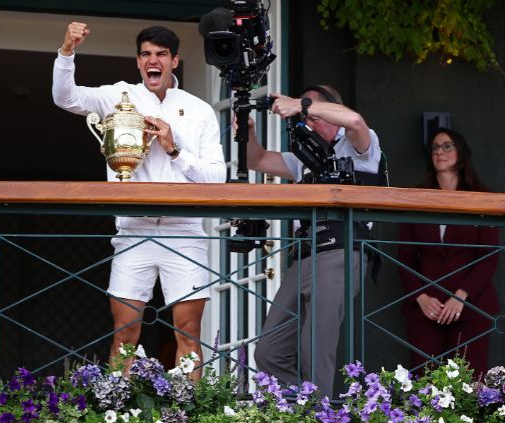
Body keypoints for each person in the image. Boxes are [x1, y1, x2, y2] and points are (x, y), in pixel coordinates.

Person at [52, 22, 226, 378]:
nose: (154, 60)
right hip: (133, 229)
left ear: (174, 61)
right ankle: (119, 422)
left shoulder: (199, 110)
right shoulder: (119, 95)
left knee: (188, 334)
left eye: (162, 54)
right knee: (125, 335)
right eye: (146, 54)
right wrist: (67, 50)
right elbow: (65, 97)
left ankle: (192, 422)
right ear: (138, 62)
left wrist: (173, 148)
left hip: (185, 230)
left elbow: (217, 179)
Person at [243, 85, 384, 397]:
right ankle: (296, 411)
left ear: (331, 112)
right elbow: (257, 159)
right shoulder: (304, 157)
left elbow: (356, 121)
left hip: (340, 251)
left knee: (315, 346)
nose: (307, 121)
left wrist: (300, 104)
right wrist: (248, 130)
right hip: (304, 256)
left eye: (313, 113)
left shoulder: (360, 144)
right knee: (268, 350)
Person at [398, 128, 499, 377]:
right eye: (434, 148)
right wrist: (420, 297)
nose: (439, 152)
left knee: (469, 382)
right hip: (426, 308)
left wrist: (461, 297)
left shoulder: (482, 198)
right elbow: (405, 256)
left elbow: (489, 257)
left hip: (471, 306)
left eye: (446, 146)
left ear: (461, 153)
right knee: (425, 384)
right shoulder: (417, 197)